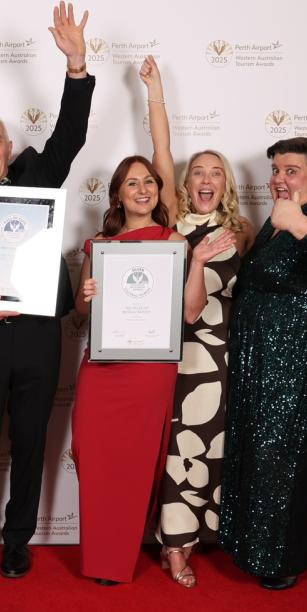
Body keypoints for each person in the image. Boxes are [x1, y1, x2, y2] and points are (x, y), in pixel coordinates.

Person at [0, 1, 93, 579]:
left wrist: (76, 66)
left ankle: (20, 539)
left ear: (7, 148)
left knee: (31, 442)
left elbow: (70, 136)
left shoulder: (35, 176)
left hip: (35, 335)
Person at [218, 137, 307, 590]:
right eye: (276, 170)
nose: (280, 179)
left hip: (296, 369)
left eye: (292, 171)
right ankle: (251, 547)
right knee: (259, 454)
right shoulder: (274, 222)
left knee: (282, 459)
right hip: (261, 363)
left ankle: (281, 559)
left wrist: (300, 224)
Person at [70, 137, 198, 585]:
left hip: (149, 368)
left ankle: (115, 563)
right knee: (93, 453)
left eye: (149, 182)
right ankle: (101, 552)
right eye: (131, 183)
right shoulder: (98, 245)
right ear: (117, 194)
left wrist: (196, 261)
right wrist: (86, 296)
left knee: (135, 460)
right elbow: (82, 311)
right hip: (103, 367)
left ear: (159, 190)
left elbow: (188, 309)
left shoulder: (174, 240)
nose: (142, 189)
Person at [156, 147, 253, 588]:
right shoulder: (172, 224)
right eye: (198, 172)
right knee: (179, 452)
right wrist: (155, 92)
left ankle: (196, 538)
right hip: (178, 356)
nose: (207, 179)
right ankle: (174, 545)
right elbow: (162, 153)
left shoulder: (242, 231)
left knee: (209, 450)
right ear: (185, 183)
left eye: (217, 172)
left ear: (226, 185)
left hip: (220, 359)